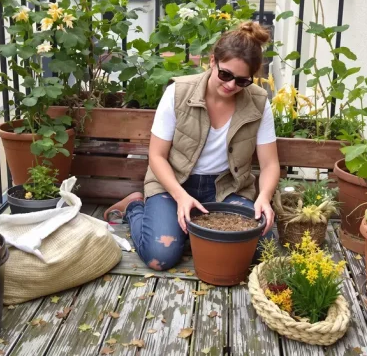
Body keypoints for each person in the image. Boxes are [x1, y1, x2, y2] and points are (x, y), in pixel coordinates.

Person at [104, 21, 280, 271]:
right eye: (225, 74)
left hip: (225, 189)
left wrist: (264, 197)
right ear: (212, 61)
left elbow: (270, 163)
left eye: (242, 81)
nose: (231, 85)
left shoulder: (259, 103)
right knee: (160, 256)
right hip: (173, 185)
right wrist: (180, 196)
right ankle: (135, 207)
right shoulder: (178, 93)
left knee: (262, 249)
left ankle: (190, 229)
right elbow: (156, 156)